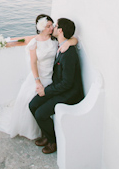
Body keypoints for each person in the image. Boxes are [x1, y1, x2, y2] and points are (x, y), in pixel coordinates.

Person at [0, 14, 78, 139]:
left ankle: (49, 137)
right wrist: (37, 81)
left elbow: (72, 39)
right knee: (29, 101)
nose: (51, 28)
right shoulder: (35, 42)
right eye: (49, 26)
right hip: (40, 76)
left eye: (53, 26)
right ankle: (36, 131)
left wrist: (70, 42)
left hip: (52, 78)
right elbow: (33, 63)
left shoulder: (55, 40)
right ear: (42, 28)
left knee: (40, 108)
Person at [29, 18, 84, 154]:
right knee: (33, 105)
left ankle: (53, 142)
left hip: (70, 93)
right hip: (60, 88)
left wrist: (46, 91)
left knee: (41, 113)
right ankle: (47, 135)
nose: (52, 27)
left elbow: (67, 83)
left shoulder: (69, 53)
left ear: (60, 31)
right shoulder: (60, 44)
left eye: (55, 26)